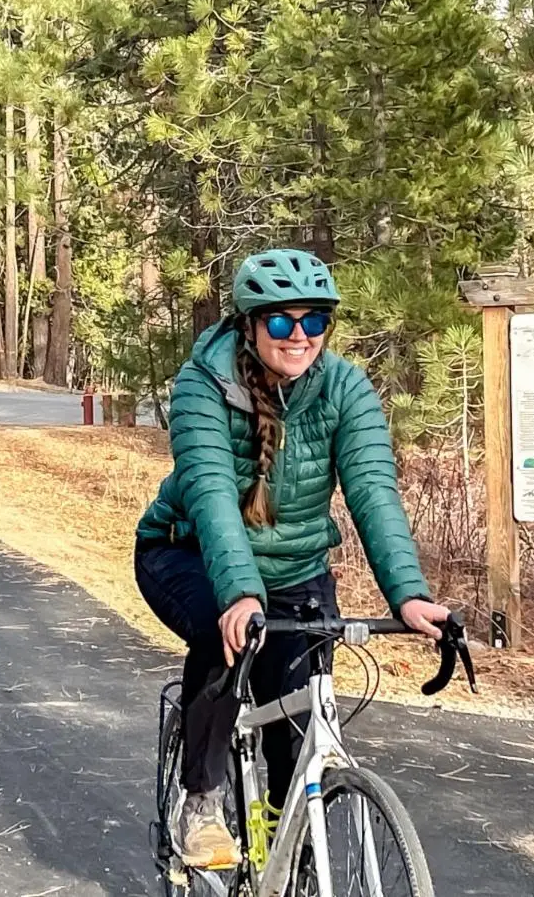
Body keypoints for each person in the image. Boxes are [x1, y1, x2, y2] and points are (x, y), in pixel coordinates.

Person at [134, 248, 450, 869]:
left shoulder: (344, 388)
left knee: (296, 727)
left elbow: (372, 492)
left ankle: (284, 854)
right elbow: (212, 494)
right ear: (250, 326)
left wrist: (408, 594)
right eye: (280, 322)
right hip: (189, 553)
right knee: (224, 639)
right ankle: (201, 798)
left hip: (297, 569)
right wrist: (240, 594)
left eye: (314, 321)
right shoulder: (204, 384)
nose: (299, 335)